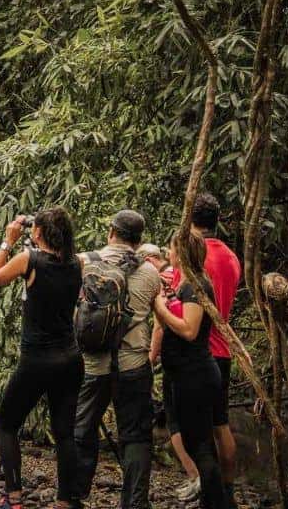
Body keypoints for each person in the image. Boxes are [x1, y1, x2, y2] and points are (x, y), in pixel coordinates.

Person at [0, 207, 83, 509]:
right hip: (70, 358)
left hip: (38, 359)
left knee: (6, 424)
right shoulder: (77, 262)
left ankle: (13, 497)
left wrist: (8, 242)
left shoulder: (29, 260)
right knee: (64, 432)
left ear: (37, 232)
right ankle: (66, 500)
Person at [65, 210, 160, 509]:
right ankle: (134, 502)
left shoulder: (83, 262)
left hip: (92, 364)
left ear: (110, 232)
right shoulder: (150, 273)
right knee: (136, 436)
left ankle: (74, 496)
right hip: (133, 364)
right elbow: (157, 314)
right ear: (139, 240)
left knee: (82, 429)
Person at [150, 236, 235, 509]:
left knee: (200, 445)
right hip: (186, 374)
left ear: (182, 254)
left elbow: (189, 330)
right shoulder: (185, 284)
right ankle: (214, 500)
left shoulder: (196, 285)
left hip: (195, 374)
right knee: (197, 442)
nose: (169, 253)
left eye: (172, 248)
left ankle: (218, 502)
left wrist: (159, 307)